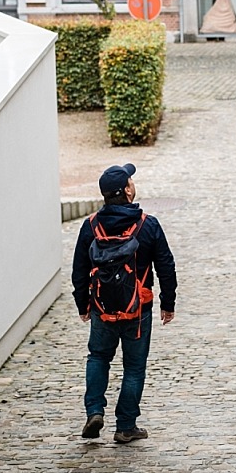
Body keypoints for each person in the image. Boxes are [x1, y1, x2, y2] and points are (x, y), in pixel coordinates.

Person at [71, 163, 176, 444]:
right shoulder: (147, 225)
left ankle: (94, 410)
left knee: (98, 357)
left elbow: (79, 269)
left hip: (102, 310)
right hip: (138, 310)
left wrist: (83, 305)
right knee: (134, 367)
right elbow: (166, 266)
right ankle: (126, 426)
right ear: (128, 190)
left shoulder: (91, 226)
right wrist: (168, 302)